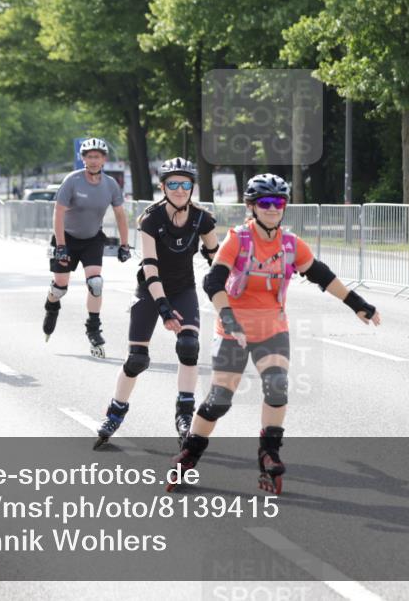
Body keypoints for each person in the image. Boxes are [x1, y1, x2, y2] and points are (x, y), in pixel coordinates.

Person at [168, 173, 382, 494]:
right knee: (219, 401)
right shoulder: (238, 240)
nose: (272, 208)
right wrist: (229, 318)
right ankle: (189, 453)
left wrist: (357, 304)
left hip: (272, 329)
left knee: (277, 386)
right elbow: (212, 282)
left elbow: (321, 275)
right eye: (265, 202)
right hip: (233, 331)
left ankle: (269, 453)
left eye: (278, 202)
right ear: (252, 207)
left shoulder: (290, 244)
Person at [94, 158, 219, 449]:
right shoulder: (151, 219)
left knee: (189, 347)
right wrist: (163, 307)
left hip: (183, 289)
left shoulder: (202, 219)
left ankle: (184, 415)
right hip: (151, 291)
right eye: (172, 183)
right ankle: (115, 412)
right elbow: (150, 266)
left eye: (185, 184)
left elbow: (218, 259)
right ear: (162, 187)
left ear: (192, 187)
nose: (179, 189)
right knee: (137, 360)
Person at [42, 137, 131, 358]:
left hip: (92, 239)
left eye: (97, 157)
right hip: (66, 238)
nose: (93, 161)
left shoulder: (110, 184)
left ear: (104, 159)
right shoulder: (72, 181)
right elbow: (58, 213)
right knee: (60, 288)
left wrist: (124, 244)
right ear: (83, 159)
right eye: (89, 157)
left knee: (96, 283)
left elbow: (120, 214)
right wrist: (61, 245)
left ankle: (93, 329)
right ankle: (52, 306)